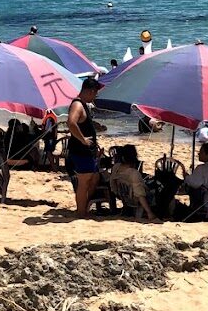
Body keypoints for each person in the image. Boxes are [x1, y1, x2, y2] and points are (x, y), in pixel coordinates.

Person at [67, 77, 103, 216]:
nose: (95, 97)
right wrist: (83, 140)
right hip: (81, 151)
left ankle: (84, 208)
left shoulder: (82, 104)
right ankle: (81, 212)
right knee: (84, 183)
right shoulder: (78, 105)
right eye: (95, 94)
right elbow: (71, 123)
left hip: (85, 151)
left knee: (93, 178)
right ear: (91, 91)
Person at [110, 144, 160, 222]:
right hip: (134, 199)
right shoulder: (133, 173)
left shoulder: (116, 167)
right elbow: (140, 195)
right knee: (162, 191)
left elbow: (113, 186)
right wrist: (149, 213)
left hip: (124, 196)